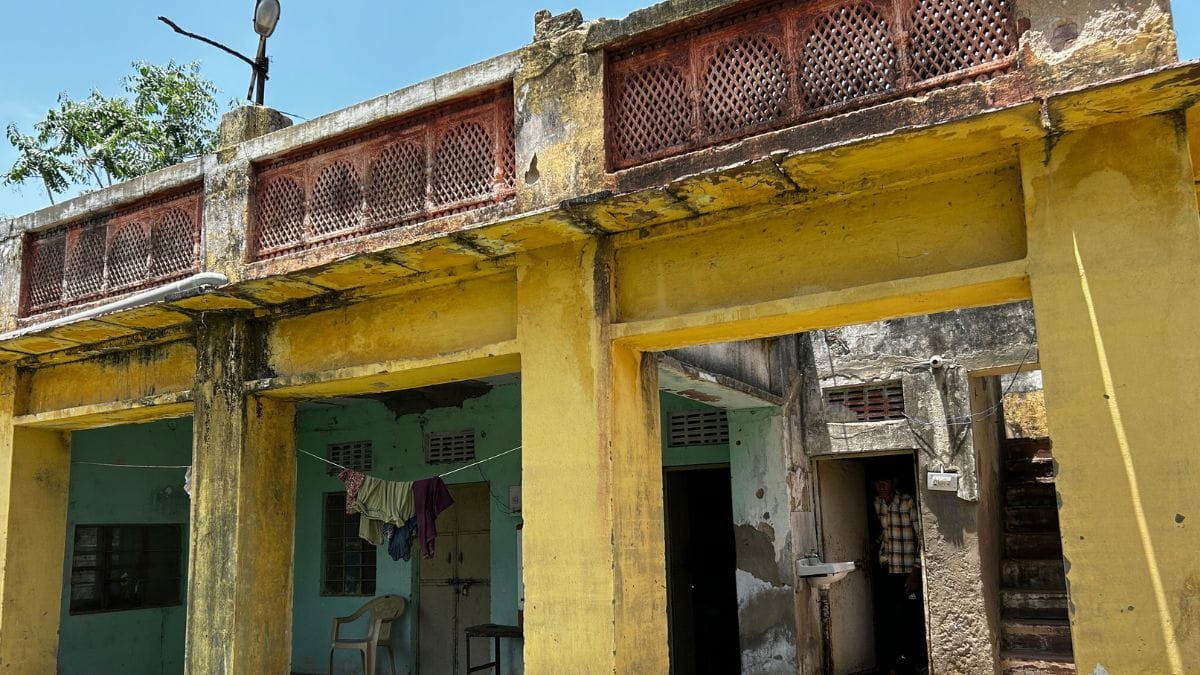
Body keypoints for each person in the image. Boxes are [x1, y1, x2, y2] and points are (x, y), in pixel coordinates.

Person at [872, 476, 927, 675]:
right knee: (889, 618)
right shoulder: (877, 503)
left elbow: (922, 536)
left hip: (907, 571)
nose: (882, 485)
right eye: (878, 482)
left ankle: (916, 661)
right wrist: (874, 546)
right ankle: (893, 663)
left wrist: (915, 571)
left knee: (911, 618)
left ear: (894, 482)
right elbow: (887, 532)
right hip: (888, 569)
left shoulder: (907, 501)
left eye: (885, 481)